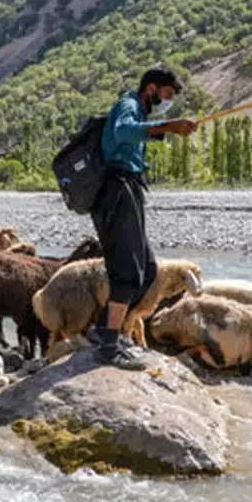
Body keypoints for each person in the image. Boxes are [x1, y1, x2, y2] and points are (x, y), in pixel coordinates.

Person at [89, 66, 197, 370]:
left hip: (128, 188)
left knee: (147, 270)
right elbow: (123, 131)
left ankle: (103, 330)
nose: (168, 101)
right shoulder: (128, 104)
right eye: (167, 94)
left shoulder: (138, 110)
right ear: (151, 88)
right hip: (116, 190)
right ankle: (109, 346)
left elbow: (133, 134)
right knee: (127, 270)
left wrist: (168, 128)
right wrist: (168, 125)